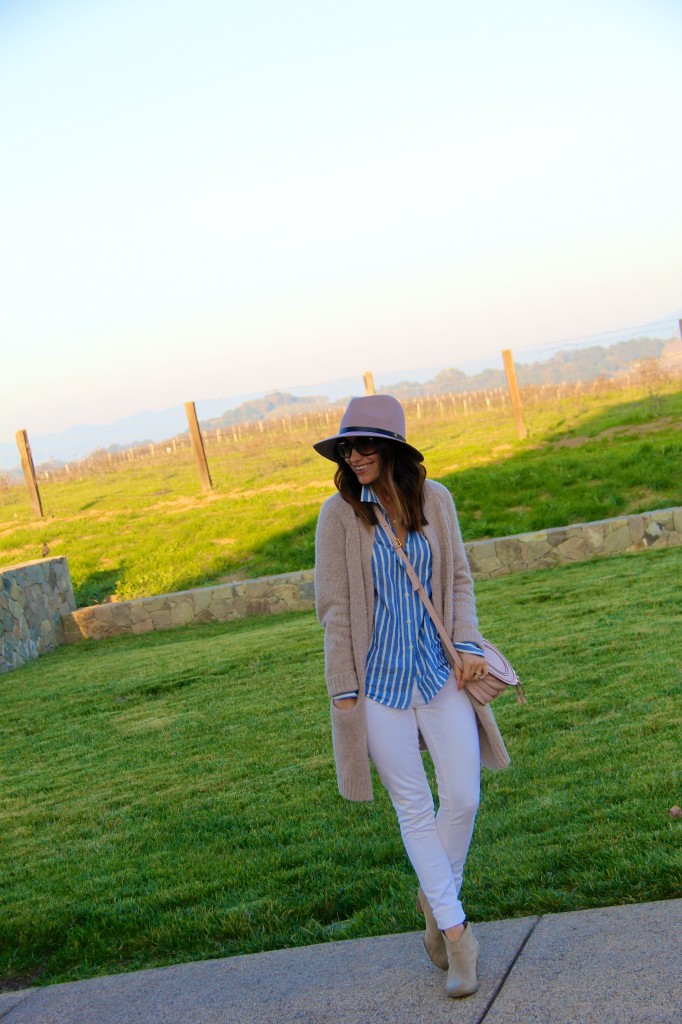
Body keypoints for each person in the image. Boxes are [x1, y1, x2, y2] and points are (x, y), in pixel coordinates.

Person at [313, 394, 510, 999]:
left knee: (463, 795)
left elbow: (457, 580)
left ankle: (433, 894)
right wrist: (343, 691)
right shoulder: (338, 516)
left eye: (367, 444)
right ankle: (456, 935)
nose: (356, 455)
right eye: (348, 446)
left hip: (439, 671)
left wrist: (470, 641)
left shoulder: (436, 500)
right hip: (376, 686)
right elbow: (337, 610)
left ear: (393, 448)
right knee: (413, 808)